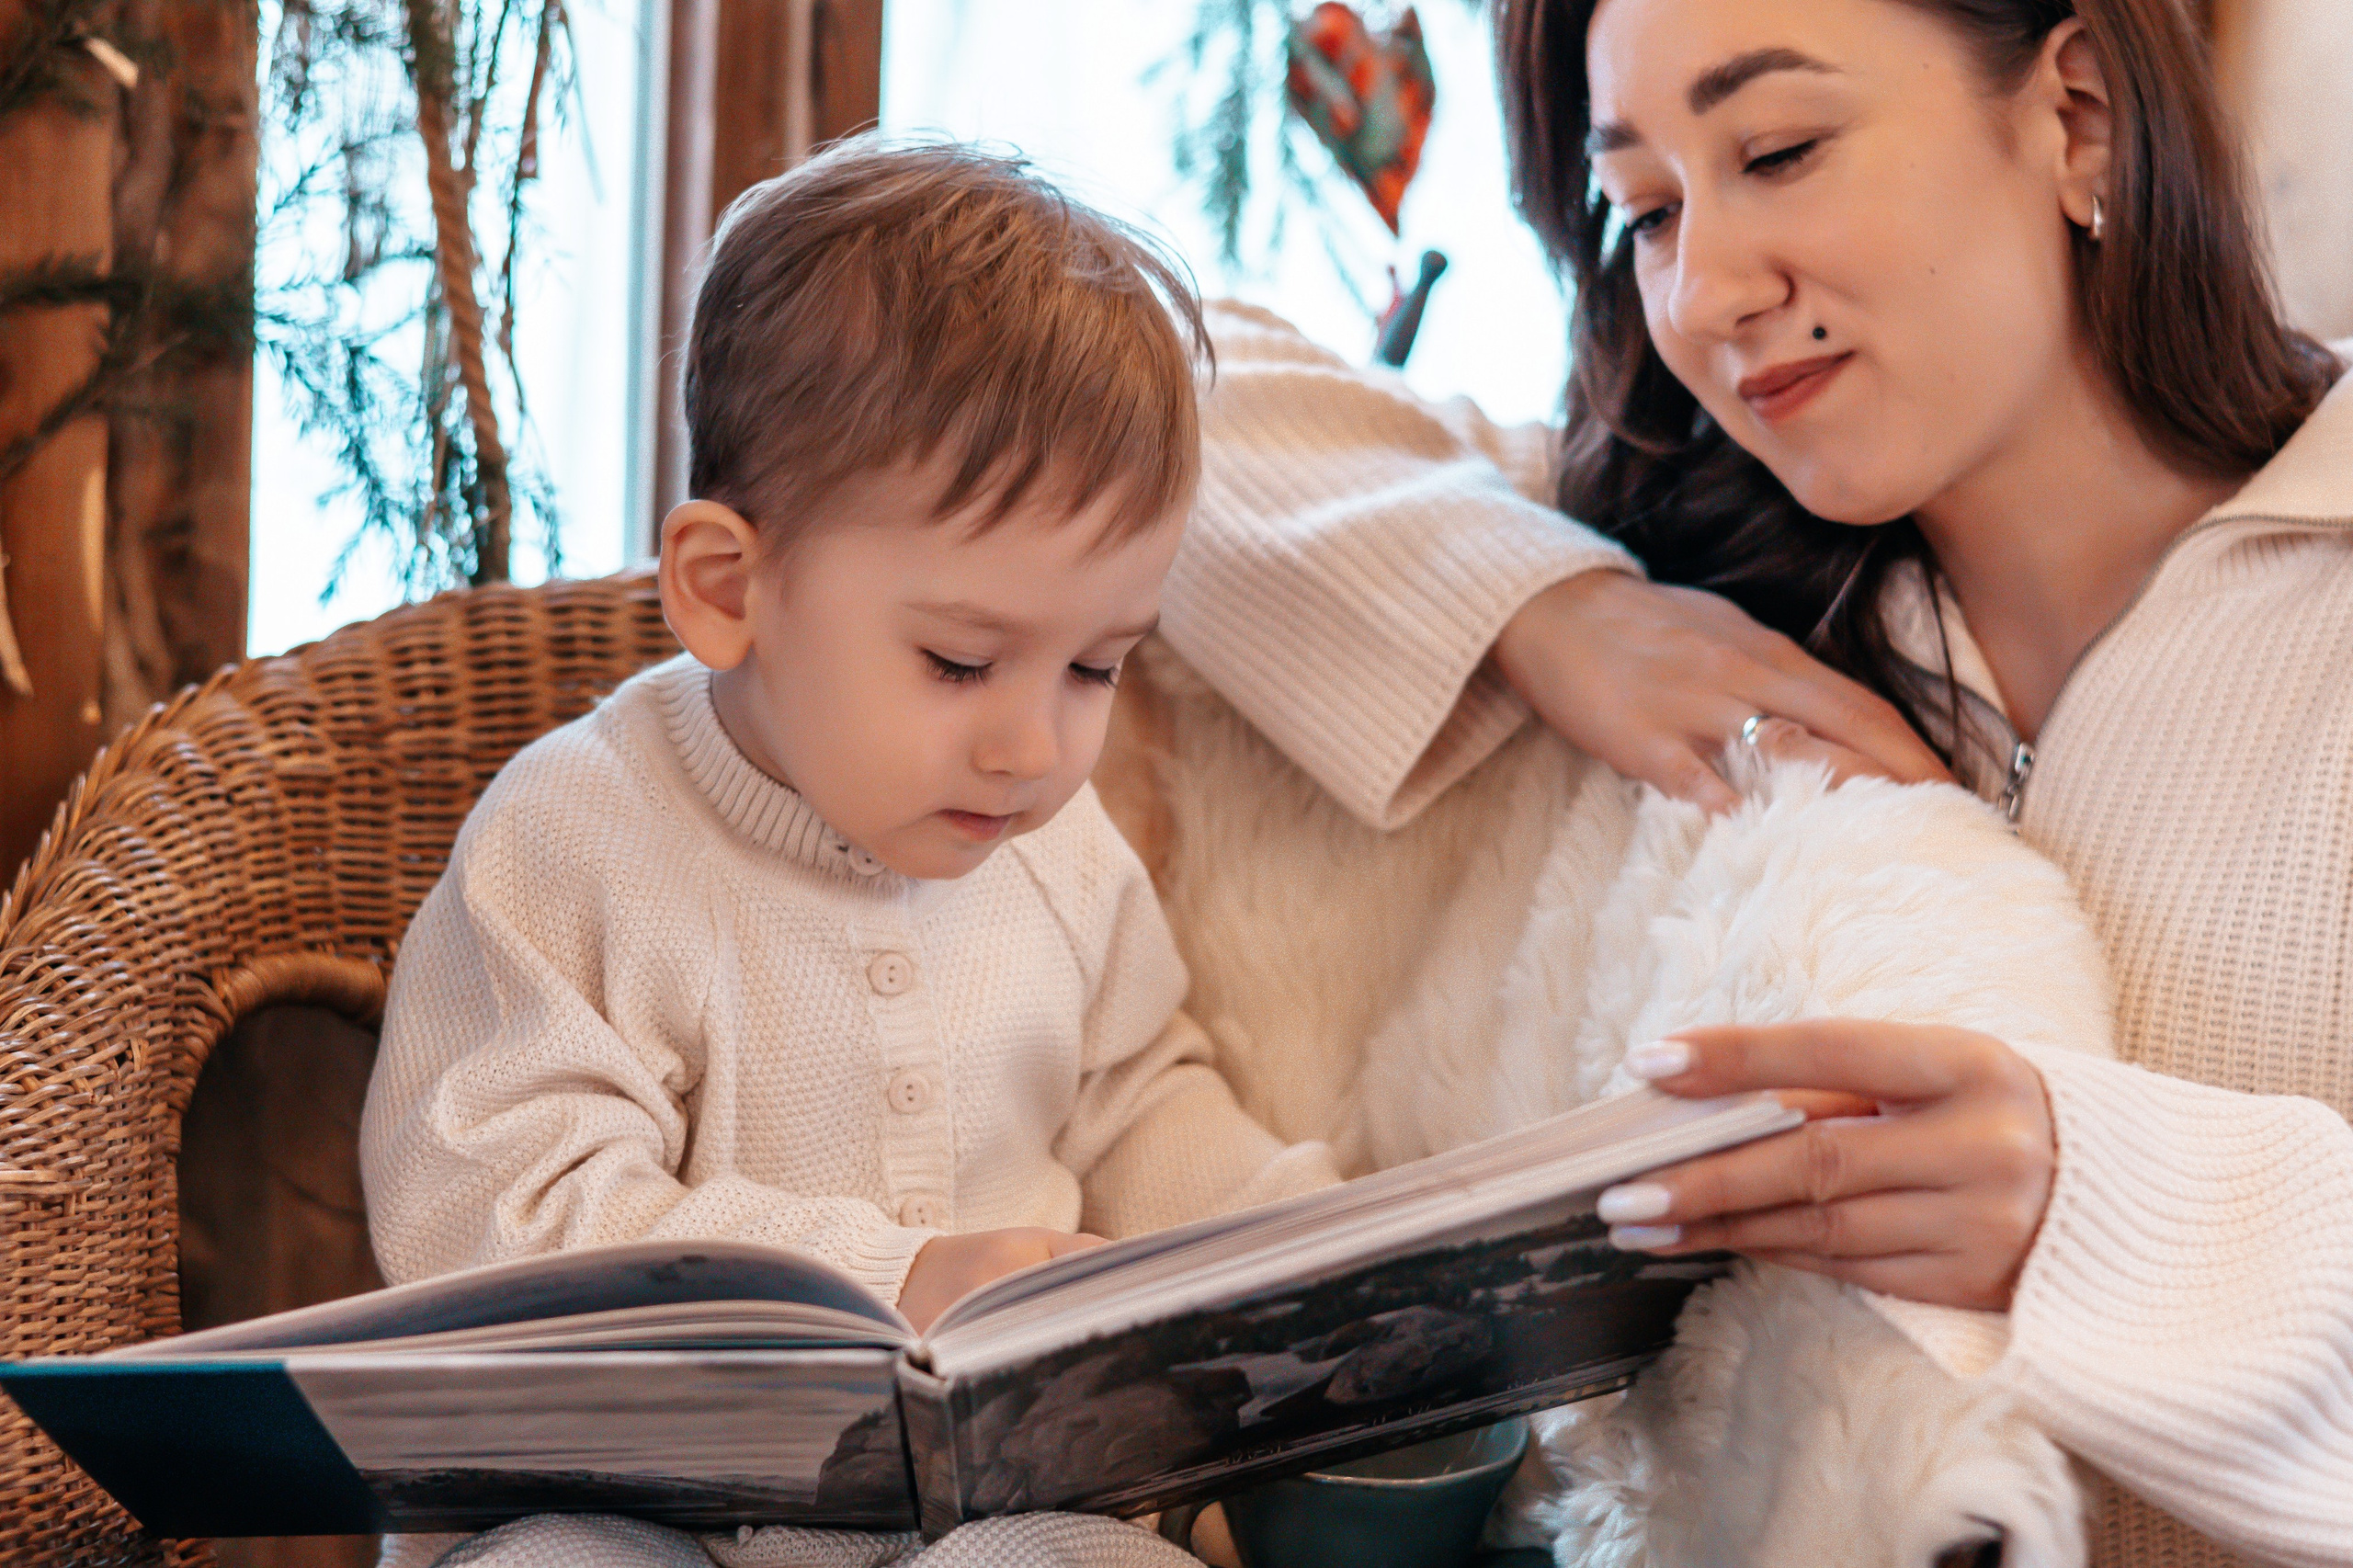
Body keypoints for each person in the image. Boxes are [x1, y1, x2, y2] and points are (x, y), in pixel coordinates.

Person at [1145, 1, 2353, 1563]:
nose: (1705, 289)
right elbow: (1148, 374)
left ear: (2077, 118)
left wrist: (2106, 1214)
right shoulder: (1698, 590)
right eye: (1647, 208)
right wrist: (1550, 613)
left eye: (1779, 150)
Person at [358, 139, 1336, 1568]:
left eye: (1096, 667)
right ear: (728, 588)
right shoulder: (572, 841)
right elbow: (494, 1217)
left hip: (989, 1508)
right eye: (958, 661)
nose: (1033, 747)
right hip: (631, 1507)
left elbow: (1137, 1100)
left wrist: (1291, 1246)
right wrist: (894, 1281)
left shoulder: (1054, 853)